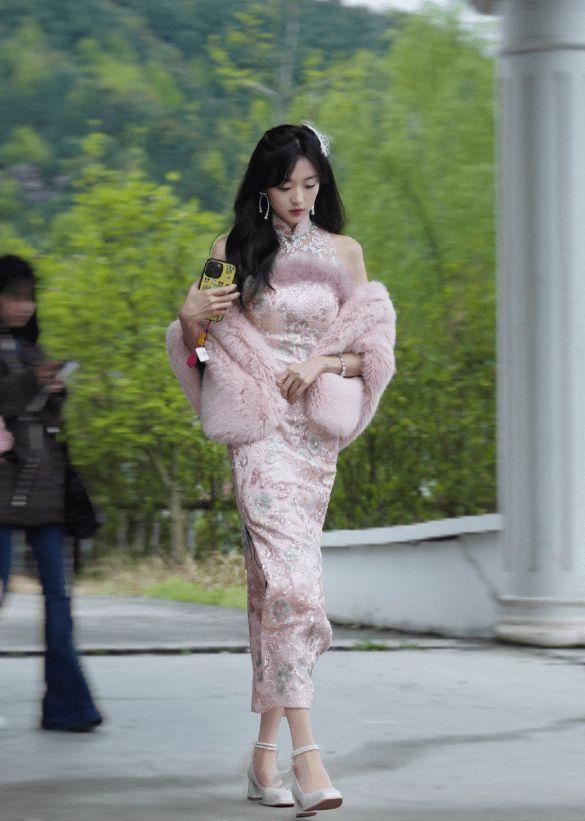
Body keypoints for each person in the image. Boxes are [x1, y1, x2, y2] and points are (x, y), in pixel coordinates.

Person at [166, 123, 396, 815]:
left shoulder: (345, 253)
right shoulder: (229, 252)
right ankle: (307, 759)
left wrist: (323, 361)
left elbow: (371, 354)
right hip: (259, 432)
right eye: (286, 185)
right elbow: (203, 356)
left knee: (275, 591)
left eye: (310, 184)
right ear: (263, 187)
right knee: (296, 586)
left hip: (313, 437)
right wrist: (190, 321)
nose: (299, 198)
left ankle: (262, 758)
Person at [0, 254, 103, 732]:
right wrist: (31, 382)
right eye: (14, 296)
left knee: (60, 602)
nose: (24, 305)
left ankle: (69, 707)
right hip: (4, 488)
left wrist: (55, 391)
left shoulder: (32, 349)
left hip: (47, 488)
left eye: (30, 297)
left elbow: (41, 418)